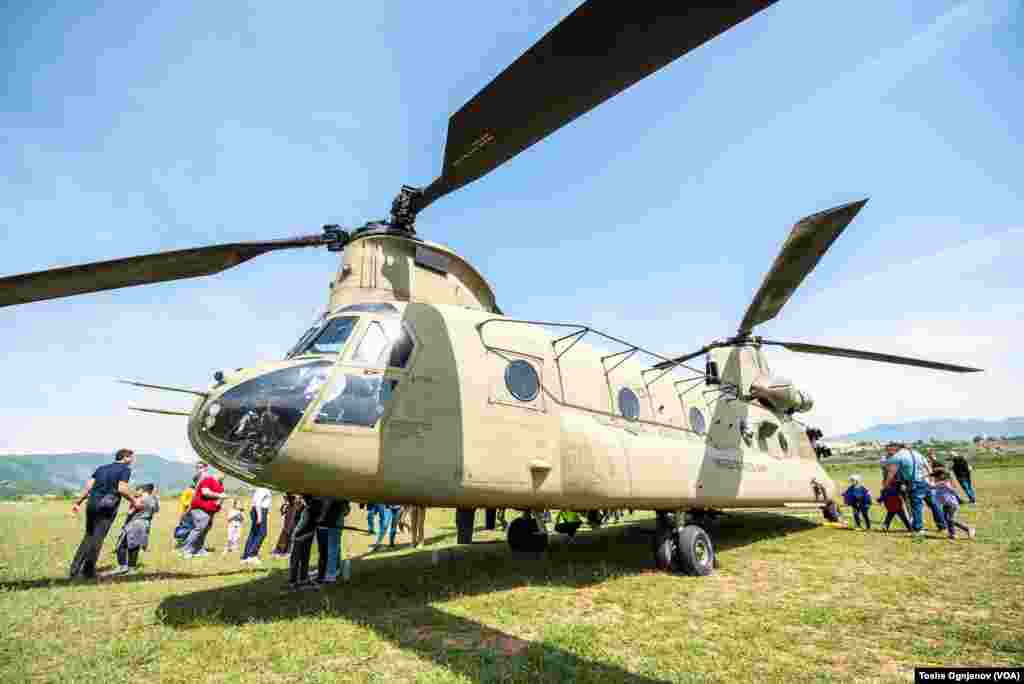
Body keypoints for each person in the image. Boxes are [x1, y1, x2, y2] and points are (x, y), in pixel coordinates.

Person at [70, 449, 141, 580]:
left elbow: (88, 487)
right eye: (131, 457)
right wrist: (134, 501)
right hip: (106, 507)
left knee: (89, 536)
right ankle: (88, 571)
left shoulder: (101, 468)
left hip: (91, 505)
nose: (132, 460)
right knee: (97, 538)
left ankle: (74, 569)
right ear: (125, 457)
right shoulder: (125, 469)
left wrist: (78, 502)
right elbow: (122, 488)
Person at [883, 442, 945, 536]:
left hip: (913, 484)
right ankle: (942, 525)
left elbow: (891, 473)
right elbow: (928, 468)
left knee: (916, 506)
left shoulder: (898, 456)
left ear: (899, 448)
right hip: (924, 482)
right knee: (933, 503)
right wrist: (931, 480)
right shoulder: (918, 454)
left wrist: (886, 484)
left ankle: (918, 528)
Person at [113, 483, 160, 574]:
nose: (136, 492)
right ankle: (131, 567)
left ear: (143, 490)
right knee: (134, 546)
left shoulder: (141, 499)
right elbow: (156, 509)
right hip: (144, 523)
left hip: (135, 523)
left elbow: (130, 513)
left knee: (122, 545)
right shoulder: (153, 500)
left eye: (138, 490)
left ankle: (123, 567)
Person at [181, 471, 228, 558]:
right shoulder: (208, 480)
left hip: (211, 510)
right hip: (200, 508)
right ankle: (186, 549)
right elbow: (205, 492)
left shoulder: (220, 484)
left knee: (205, 530)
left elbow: (220, 496)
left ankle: (198, 549)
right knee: (199, 528)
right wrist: (219, 495)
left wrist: (219, 503)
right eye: (225, 474)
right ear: (219, 472)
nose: (226, 476)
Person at [287, 494, 324, 590]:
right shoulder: (307, 510)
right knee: (297, 559)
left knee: (304, 557)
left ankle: (302, 579)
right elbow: (301, 525)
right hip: (300, 537)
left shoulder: (309, 509)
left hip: (306, 536)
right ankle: (293, 581)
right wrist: (295, 536)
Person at [933, 471, 976, 540]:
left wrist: (959, 498)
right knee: (947, 519)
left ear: (941, 476)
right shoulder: (941, 483)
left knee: (950, 519)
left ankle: (968, 529)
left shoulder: (944, 483)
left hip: (951, 504)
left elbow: (932, 486)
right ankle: (952, 534)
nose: (934, 478)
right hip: (946, 504)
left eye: (935, 477)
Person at [316, 498, 350, 583]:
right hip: (335, 518)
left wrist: (322, 516)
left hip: (334, 519)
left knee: (332, 548)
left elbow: (328, 503)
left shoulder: (334, 496)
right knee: (334, 547)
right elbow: (346, 510)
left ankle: (331, 574)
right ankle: (336, 569)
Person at [241, 486, 273, 564]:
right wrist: (259, 515)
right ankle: (252, 555)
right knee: (262, 533)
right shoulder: (263, 489)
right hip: (259, 510)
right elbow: (258, 503)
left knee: (254, 533)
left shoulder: (261, 489)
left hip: (259, 510)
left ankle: (246, 556)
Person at [272, 493, 302, 558]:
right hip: (289, 518)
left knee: (291, 534)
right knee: (286, 533)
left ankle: (287, 551)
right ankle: (279, 551)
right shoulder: (289, 502)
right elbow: (282, 511)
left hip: (294, 518)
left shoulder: (298, 502)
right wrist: (285, 504)